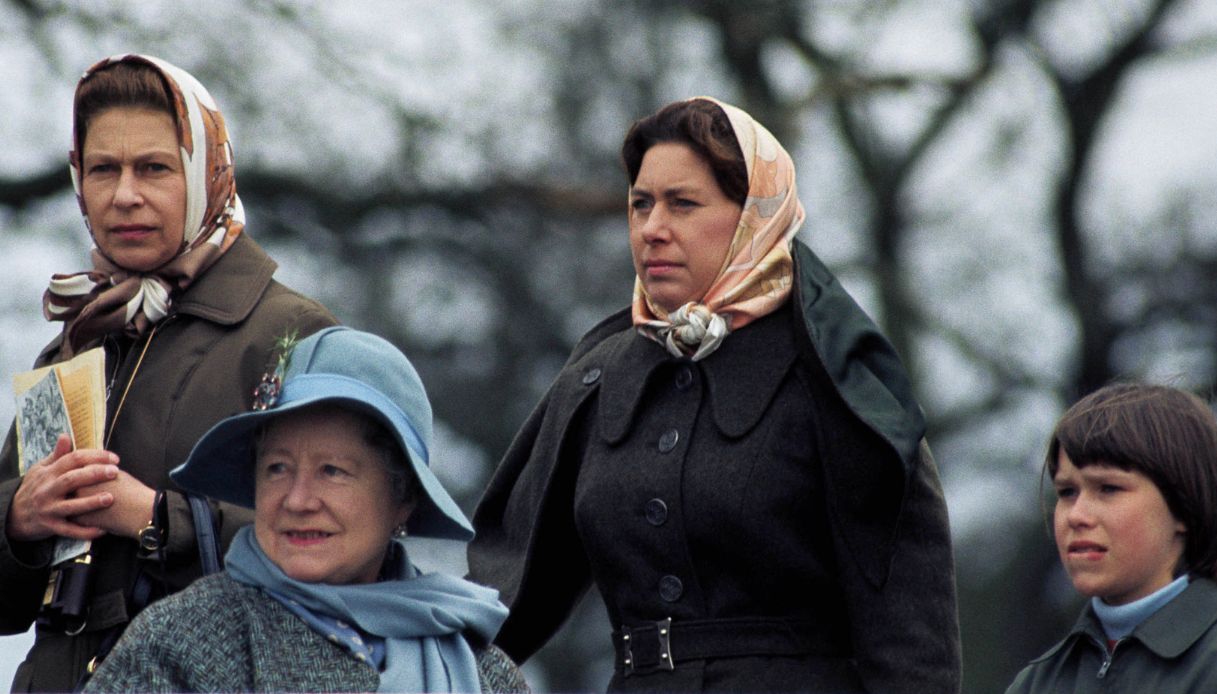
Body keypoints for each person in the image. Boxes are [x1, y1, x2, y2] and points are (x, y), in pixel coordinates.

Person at [467, 97, 961, 692]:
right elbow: (497, 605)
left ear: (754, 216)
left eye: (684, 204)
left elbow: (912, 641)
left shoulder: (838, 379)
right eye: (640, 204)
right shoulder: (594, 380)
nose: (653, 229)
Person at [0, 54, 337, 691]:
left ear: (207, 174)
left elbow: (346, 549)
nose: (125, 195)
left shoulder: (292, 335)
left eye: (153, 167)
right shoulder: (73, 346)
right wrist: (20, 519)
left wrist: (157, 519)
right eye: (103, 169)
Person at [82, 327, 527, 692]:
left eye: (332, 471)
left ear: (402, 499)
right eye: (277, 468)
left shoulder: (483, 671)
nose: (297, 500)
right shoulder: (186, 641)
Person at [1006, 383, 1217, 692]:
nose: (1076, 515)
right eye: (1067, 492)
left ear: (1183, 506)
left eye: (1108, 488)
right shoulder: (1038, 682)